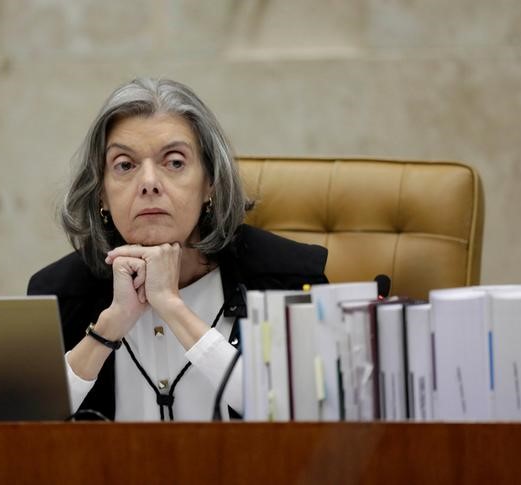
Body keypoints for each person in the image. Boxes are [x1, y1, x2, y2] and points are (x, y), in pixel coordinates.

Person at [28, 78, 328, 421]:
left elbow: (305, 415)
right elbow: (23, 429)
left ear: (209, 183)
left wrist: (173, 307)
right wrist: (109, 327)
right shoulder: (58, 294)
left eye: (174, 162)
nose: (149, 183)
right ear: (101, 195)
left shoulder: (286, 277)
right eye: (125, 165)